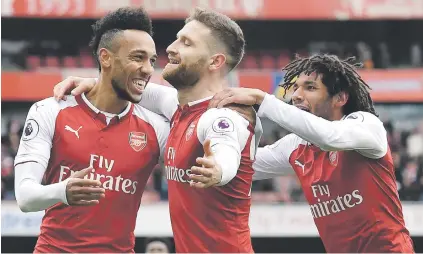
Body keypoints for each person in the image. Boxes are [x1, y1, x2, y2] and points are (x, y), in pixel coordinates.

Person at [53, 7, 262, 253]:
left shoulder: (223, 115)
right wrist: (97, 85)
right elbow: (147, 93)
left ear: (215, 62)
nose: (172, 47)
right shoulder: (179, 107)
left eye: (186, 43)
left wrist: (219, 170)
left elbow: (225, 148)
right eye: (177, 38)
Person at [207, 54, 415, 253]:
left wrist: (263, 100)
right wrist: (244, 128)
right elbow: (241, 166)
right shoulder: (295, 146)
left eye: (310, 88)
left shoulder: (367, 126)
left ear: (340, 98)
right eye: (296, 87)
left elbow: (330, 137)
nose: (296, 95)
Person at [14, 7, 169, 253]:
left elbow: (196, 116)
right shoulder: (50, 111)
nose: (149, 69)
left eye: (152, 60)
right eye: (138, 57)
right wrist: (62, 191)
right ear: (105, 57)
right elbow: (25, 197)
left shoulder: (157, 128)